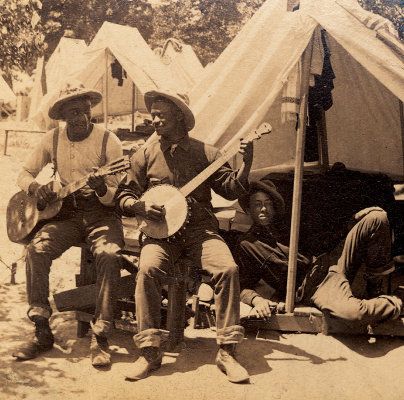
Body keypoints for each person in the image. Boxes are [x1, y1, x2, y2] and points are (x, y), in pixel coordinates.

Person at [116, 89, 254, 383]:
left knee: (227, 269)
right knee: (148, 269)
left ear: (180, 117)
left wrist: (246, 163)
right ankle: (150, 352)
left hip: (199, 232)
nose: (154, 120)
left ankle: (227, 351)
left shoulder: (207, 153)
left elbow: (231, 190)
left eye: (161, 115)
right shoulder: (145, 154)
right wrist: (138, 205)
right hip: (159, 236)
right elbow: (124, 196)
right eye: (152, 115)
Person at [12, 81, 124, 367]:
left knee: (109, 254)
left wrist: (101, 189)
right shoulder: (51, 139)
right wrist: (37, 188)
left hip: (102, 214)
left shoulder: (108, 140)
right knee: (37, 249)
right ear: (62, 117)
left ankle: (101, 336)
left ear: (91, 110)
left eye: (84, 110)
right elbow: (23, 173)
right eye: (72, 112)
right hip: (67, 214)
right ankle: (41, 329)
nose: (79, 117)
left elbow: (117, 192)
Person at [235, 179, 403, 324]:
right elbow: (243, 285)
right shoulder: (247, 244)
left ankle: (375, 289)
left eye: (268, 203)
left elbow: (325, 239)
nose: (263, 208)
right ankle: (397, 302)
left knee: (376, 217)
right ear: (249, 210)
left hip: (330, 261)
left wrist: (353, 221)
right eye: (257, 204)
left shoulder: (288, 224)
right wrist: (256, 300)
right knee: (353, 314)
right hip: (314, 286)